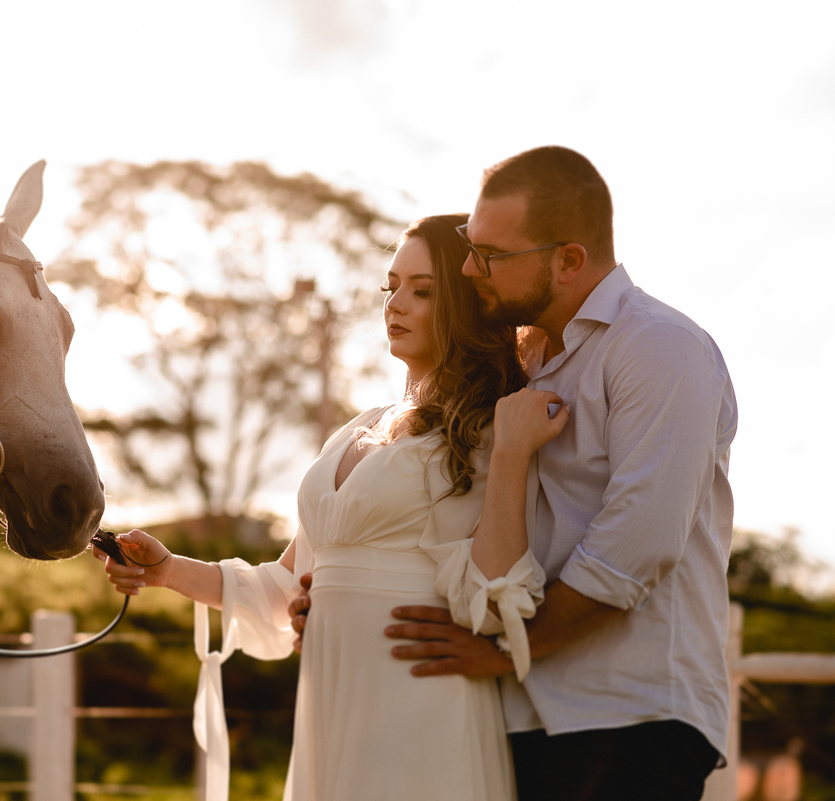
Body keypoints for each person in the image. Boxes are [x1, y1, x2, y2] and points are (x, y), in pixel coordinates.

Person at [295, 146, 738, 801]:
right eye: (473, 248)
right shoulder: (523, 366)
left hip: (628, 714)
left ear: (568, 259)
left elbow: (639, 542)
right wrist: (340, 600)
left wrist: (510, 650)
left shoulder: (659, 347)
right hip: (514, 715)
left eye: (493, 255)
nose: (471, 268)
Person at [94, 214, 569, 801]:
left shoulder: (491, 427)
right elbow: (286, 587)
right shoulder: (356, 431)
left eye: (422, 291)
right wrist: (166, 570)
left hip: (423, 695)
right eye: (390, 287)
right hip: (333, 695)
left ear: (469, 304)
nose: (395, 304)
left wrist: (515, 451)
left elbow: (496, 589)